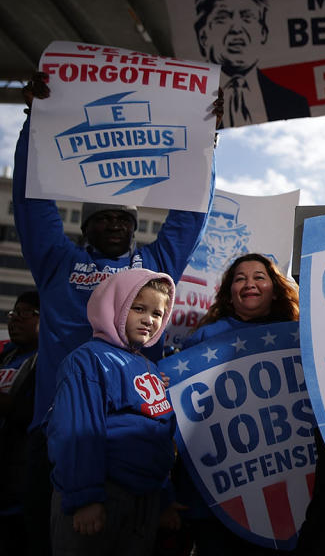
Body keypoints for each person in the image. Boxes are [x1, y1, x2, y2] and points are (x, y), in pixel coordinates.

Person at [15, 73, 215, 556]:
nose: (112, 225)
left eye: (122, 219)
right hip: (61, 432)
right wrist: (33, 127)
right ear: (86, 227)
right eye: (101, 218)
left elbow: (190, 214)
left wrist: (208, 139)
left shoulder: (155, 267)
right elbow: (32, 204)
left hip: (133, 442)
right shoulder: (60, 263)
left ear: (134, 227)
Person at [45, 269, 179, 555]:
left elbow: (161, 438)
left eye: (158, 313)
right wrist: (85, 499)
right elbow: (76, 432)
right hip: (100, 496)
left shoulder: (149, 368)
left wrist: (165, 499)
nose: (149, 320)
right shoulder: (87, 360)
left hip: (144, 502)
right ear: (114, 305)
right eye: (139, 308)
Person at [176, 253, 299, 555]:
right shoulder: (205, 337)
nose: (249, 284)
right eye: (240, 278)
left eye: (259, 276)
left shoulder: (297, 336)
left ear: (275, 287)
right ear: (229, 292)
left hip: (287, 487)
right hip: (217, 492)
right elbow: (184, 419)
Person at [194, 0, 311, 126]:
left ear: (263, 33)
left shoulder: (294, 102)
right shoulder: (185, 102)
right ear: (203, 35)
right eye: (223, 17)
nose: (237, 28)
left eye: (247, 17)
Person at [0, 291, 40, 551]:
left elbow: (27, 412)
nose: (15, 319)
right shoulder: (6, 356)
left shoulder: (46, 362)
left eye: (25, 313)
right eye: (14, 313)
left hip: (19, 482)